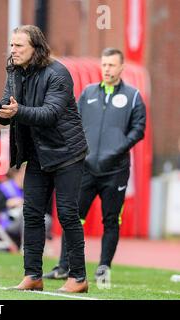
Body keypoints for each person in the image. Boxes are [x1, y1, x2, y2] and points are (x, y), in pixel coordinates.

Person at [0, 25, 89, 292]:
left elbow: (49, 114)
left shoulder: (58, 73)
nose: (13, 50)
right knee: (30, 214)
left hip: (67, 153)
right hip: (37, 155)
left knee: (67, 214)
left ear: (36, 48)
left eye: (19, 46)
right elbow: (6, 115)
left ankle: (78, 278)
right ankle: (33, 276)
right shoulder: (14, 72)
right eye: (11, 45)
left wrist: (17, 111)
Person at [43, 48, 146, 281]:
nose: (107, 69)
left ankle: (103, 270)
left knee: (111, 221)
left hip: (115, 171)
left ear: (121, 67)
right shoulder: (88, 92)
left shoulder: (133, 96)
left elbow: (138, 130)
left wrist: (116, 150)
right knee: (72, 217)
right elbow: (74, 123)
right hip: (86, 170)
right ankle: (63, 267)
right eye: (105, 64)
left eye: (112, 65)